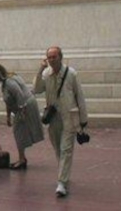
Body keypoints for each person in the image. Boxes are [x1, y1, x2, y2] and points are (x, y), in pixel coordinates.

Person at [33, 46, 88, 198]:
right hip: (53, 119)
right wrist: (40, 70)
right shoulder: (46, 74)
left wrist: (83, 119)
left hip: (69, 118)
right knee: (58, 148)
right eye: (49, 57)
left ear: (60, 57)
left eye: (54, 57)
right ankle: (64, 173)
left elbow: (80, 96)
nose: (51, 60)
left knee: (66, 149)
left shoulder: (71, 74)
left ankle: (61, 182)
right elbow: (37, 89)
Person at [0, 62, 43, 170]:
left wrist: (22, 112)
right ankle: (22, 157)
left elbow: (19, 95)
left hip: (25, 106)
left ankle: (22, 159)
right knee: (19, 131)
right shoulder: (7, 82)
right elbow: (8, 101)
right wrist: (8, 116)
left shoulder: (9, 82)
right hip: (23, 106)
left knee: (18, 131)